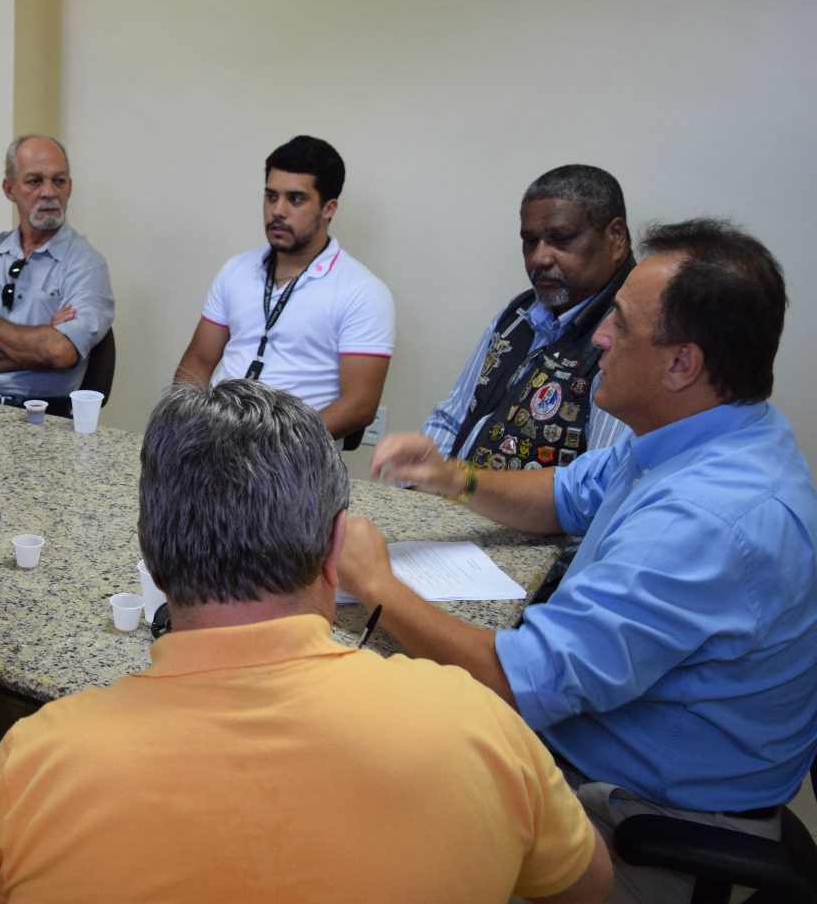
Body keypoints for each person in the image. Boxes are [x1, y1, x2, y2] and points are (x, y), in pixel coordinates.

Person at [0, 378, 611, 903]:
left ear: (151, 553)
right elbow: (586, 886)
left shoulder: (33, 767)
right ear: (335, 550)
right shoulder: (479, 727)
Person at [343, 218, 817, 904]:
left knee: (376, 848)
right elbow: (568, 495)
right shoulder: (708, 433)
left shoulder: (705, 524)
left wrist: (377, 584)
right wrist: (455, 477)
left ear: (682, 364)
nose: (597, 338)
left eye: (619, 325)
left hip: (648, 829)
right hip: (609, 764)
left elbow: (516, 680)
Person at [175, 135, 394, 443]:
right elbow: (198, 360)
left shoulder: (362, 292)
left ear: (328, 208)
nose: (277, 211)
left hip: (293, 455)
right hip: (215, 439)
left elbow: (360, 405)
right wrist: (185, 422)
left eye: (295, 199)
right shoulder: (236, 270)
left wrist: (275, 445)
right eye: (271, 196)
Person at [422, 164, 634, 469]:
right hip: (453, 502)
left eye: (561, 239)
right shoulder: (519, 313)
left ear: (615, 237)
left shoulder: (630, 333)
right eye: (530, 241)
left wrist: (462, 488)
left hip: (526, 515)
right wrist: (423, 479)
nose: (539, 258)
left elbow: (600, 484)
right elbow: (452, 417)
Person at [0, 134, 114, 417]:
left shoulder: (86, 264)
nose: (49, 192)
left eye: (59, 180)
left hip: (44, 417)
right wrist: (36, 348)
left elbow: (58, 352)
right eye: (34, 181)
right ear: (9, 188)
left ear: (70, 188)